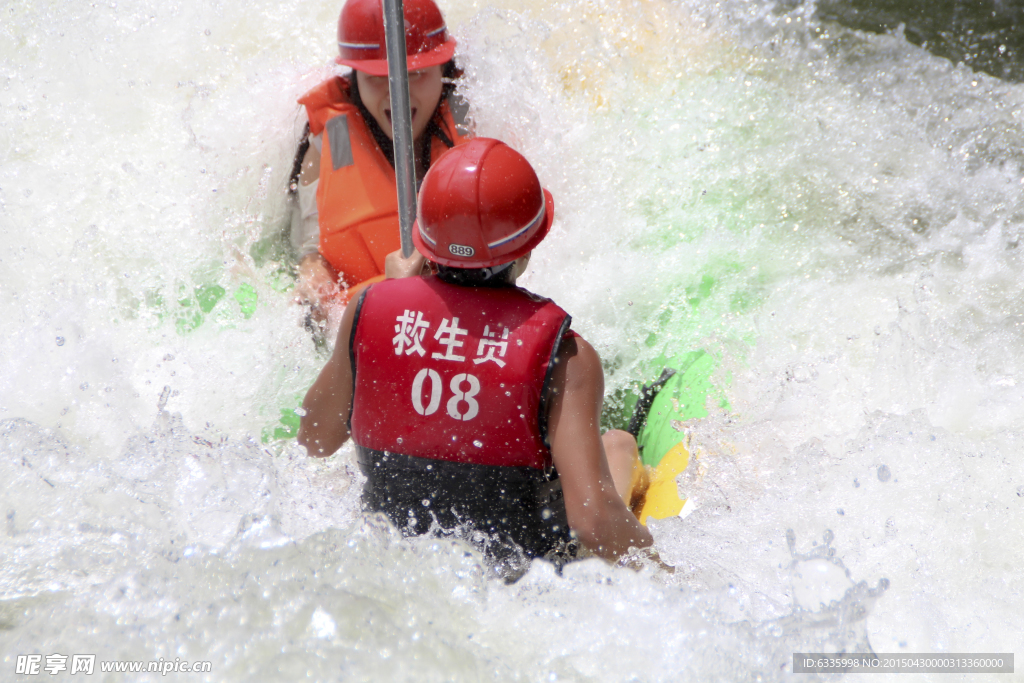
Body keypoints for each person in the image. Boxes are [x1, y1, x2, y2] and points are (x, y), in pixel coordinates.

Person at [297, 139, 658, 569]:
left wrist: (393, 295)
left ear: (425, 246)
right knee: (617, 444)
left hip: (393, 566)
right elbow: (595, 520)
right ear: (526, 248)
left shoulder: (367, 310)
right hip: (519, 584)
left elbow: (315, 439)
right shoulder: (567, 356)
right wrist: (670, 579)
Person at [290, 0, 470, 321]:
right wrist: (312, 275)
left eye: (417, 74)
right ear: (353, 78)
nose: (396, 93)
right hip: (373, 313)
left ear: (444, 70)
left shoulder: (478, 118)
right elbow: (308, 249)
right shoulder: (328, 139)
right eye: (376, 77)